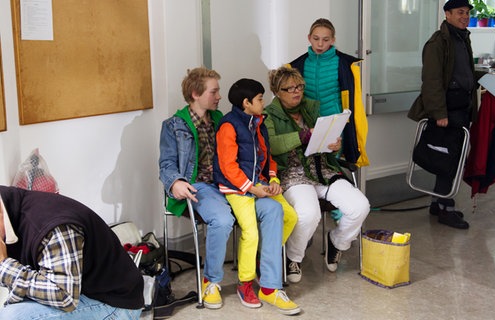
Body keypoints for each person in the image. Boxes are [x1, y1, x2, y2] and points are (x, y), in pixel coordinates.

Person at [263, 66, 370, 284]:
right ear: (277, 91)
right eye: (289, 88)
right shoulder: (268, 115)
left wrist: (334, 145)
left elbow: (326, 139)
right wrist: (302, 135)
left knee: (360, 206)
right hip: (293, 173)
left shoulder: (311, 109)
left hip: (322, 169)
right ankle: (293, 257)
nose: (296, 92)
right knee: (308, 214)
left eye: (299, 86)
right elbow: (271, 145)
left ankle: (337, 242)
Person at [212, 78, 300, 315]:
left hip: (260, 184)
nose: (264, 102)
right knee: (250, 231)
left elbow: (267, 157)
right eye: (260, 99)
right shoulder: (228, 126)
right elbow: (228, 167)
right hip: (236, 188)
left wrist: (272, 180)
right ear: (246, 103)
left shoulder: (259, 122)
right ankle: (246, 283)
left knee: (289, 216)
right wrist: (252, 188)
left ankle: (264, 261)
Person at [0, 185, 144, 319]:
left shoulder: (52, 228)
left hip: (113, 303)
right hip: (77, 292)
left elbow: (64, 296)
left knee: (11, 317)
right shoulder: (9, 210)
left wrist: (4, 265)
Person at [159, 67, 235, 309]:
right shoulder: (174, 125)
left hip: (226, 182)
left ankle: (256, 278)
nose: (219, 96)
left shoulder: (220, 119)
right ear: (195, 94)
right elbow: (166, 164)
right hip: (199, 186)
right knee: (222, 220)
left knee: (267, 208)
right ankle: (211, 282)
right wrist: (176, 182)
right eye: (214, 91)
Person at [408, 0, 478, 230]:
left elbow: (461, 72)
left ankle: (437, 204)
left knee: (453, 157)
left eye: (467, 13)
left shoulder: (461, 38)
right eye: (460, 12)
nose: (465, 16)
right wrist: (439, 113)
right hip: (447, 111)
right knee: (449, 160)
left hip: (461, 108)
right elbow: (432, 80)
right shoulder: (438, 42)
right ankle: (446, 210)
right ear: (447, 14)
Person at [289, 18, 369, 168]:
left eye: (325, 40)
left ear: (333, 40)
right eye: (316, 38)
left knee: (330, 165)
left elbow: (352, 99)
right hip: (307, 124)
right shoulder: (297, 65)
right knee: (307, 166)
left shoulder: (345, 64)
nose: (320, 44)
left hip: (334, 123)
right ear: (309, 38)